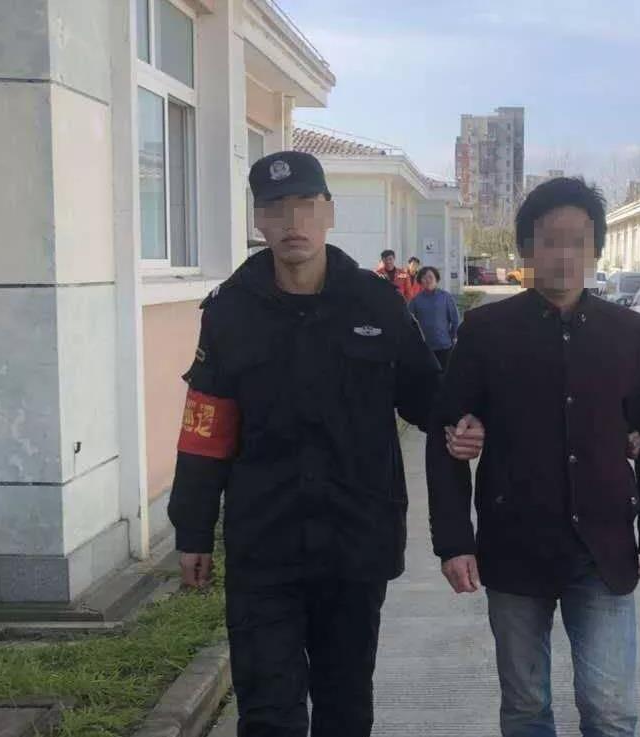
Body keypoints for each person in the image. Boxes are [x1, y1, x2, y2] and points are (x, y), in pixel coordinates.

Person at [167, 151, 482, 737]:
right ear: (258, 220)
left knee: (345, 705)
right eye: (276, 208)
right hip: (264, 542)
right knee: (268, 712)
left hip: (355, 539)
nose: (294, 222)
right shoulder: (230, 311)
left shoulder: (377, 303)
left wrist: (472, 420)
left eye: (306, 206)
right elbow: (206, 426)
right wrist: (193, 530)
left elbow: (427, 398)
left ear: (329, 213)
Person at [426, 177, 640, 737]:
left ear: (596, 250)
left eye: (579, 241)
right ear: (526, 248)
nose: (565, 254)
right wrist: (453, 541)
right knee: (524, 707)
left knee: (611, 710)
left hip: (603, 548)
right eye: (550, 240)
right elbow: (446, 438)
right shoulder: (486, 331)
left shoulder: (627, 332)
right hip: (514, 545)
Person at [408, 266, 460, 370]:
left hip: (444, 346)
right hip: (424, 347)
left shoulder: (445, 297)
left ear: (436, 279)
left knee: (445, 374)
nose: (427, 280)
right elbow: (409, 322)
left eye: (430, 277)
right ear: (420, 281)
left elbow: (455, 319)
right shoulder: (415, 300)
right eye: (424, 278)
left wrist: (452, 336)